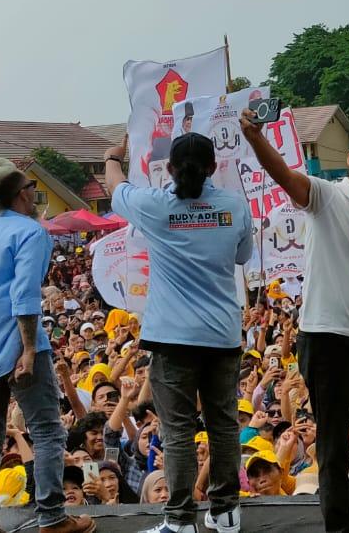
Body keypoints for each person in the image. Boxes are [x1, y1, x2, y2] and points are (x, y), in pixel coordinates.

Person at [240, 111, 349, 533]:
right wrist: (255, 137)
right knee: (334, 439)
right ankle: (339, 525)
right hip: (322, 334)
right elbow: (282, 173)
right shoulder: (324, 195)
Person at [106, 133, 255, 533]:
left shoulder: (154, 206)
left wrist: (111, 156)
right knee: (223, 425)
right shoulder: (235, 206)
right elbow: (242, 256)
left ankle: (180, 520)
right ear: (212, 167)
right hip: (223, 335)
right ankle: (225, 512)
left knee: (178, 432)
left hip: (172, 339)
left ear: (168, 168)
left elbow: (114, 185)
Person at [0, 158, 94, 533]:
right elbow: (24, 294)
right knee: (47, 430)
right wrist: (29, 350)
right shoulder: (30, 232)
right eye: (32, 188)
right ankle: (52, 517)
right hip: (15, 342)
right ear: (21, 194)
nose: (34, 194)